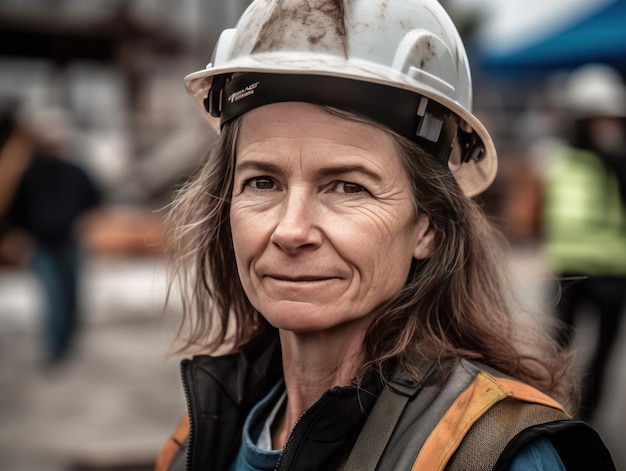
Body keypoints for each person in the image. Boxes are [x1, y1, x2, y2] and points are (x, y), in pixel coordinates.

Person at [156, 1, 615, 470]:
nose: (290, 231)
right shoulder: (197, 439)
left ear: (428, 226)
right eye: (262, 182)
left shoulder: (492, 455)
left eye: (348, 187)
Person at [542, 64, 626, 422]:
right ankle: (552, 408)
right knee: (559, 347)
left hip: (612, 269)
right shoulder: (556, 156)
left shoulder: (618, 161)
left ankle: (587, 419)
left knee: (603, 350)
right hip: (570, 266)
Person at [0, 99, 102, 365]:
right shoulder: (30, 173)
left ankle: (67, 344)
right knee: (53, 297)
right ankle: (54, 348)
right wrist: (22, 237)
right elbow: (14, 210)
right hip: (42, 246)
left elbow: (95, 199)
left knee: (71, 297)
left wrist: (85, 222)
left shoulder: (76, 172)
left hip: (70, 243)